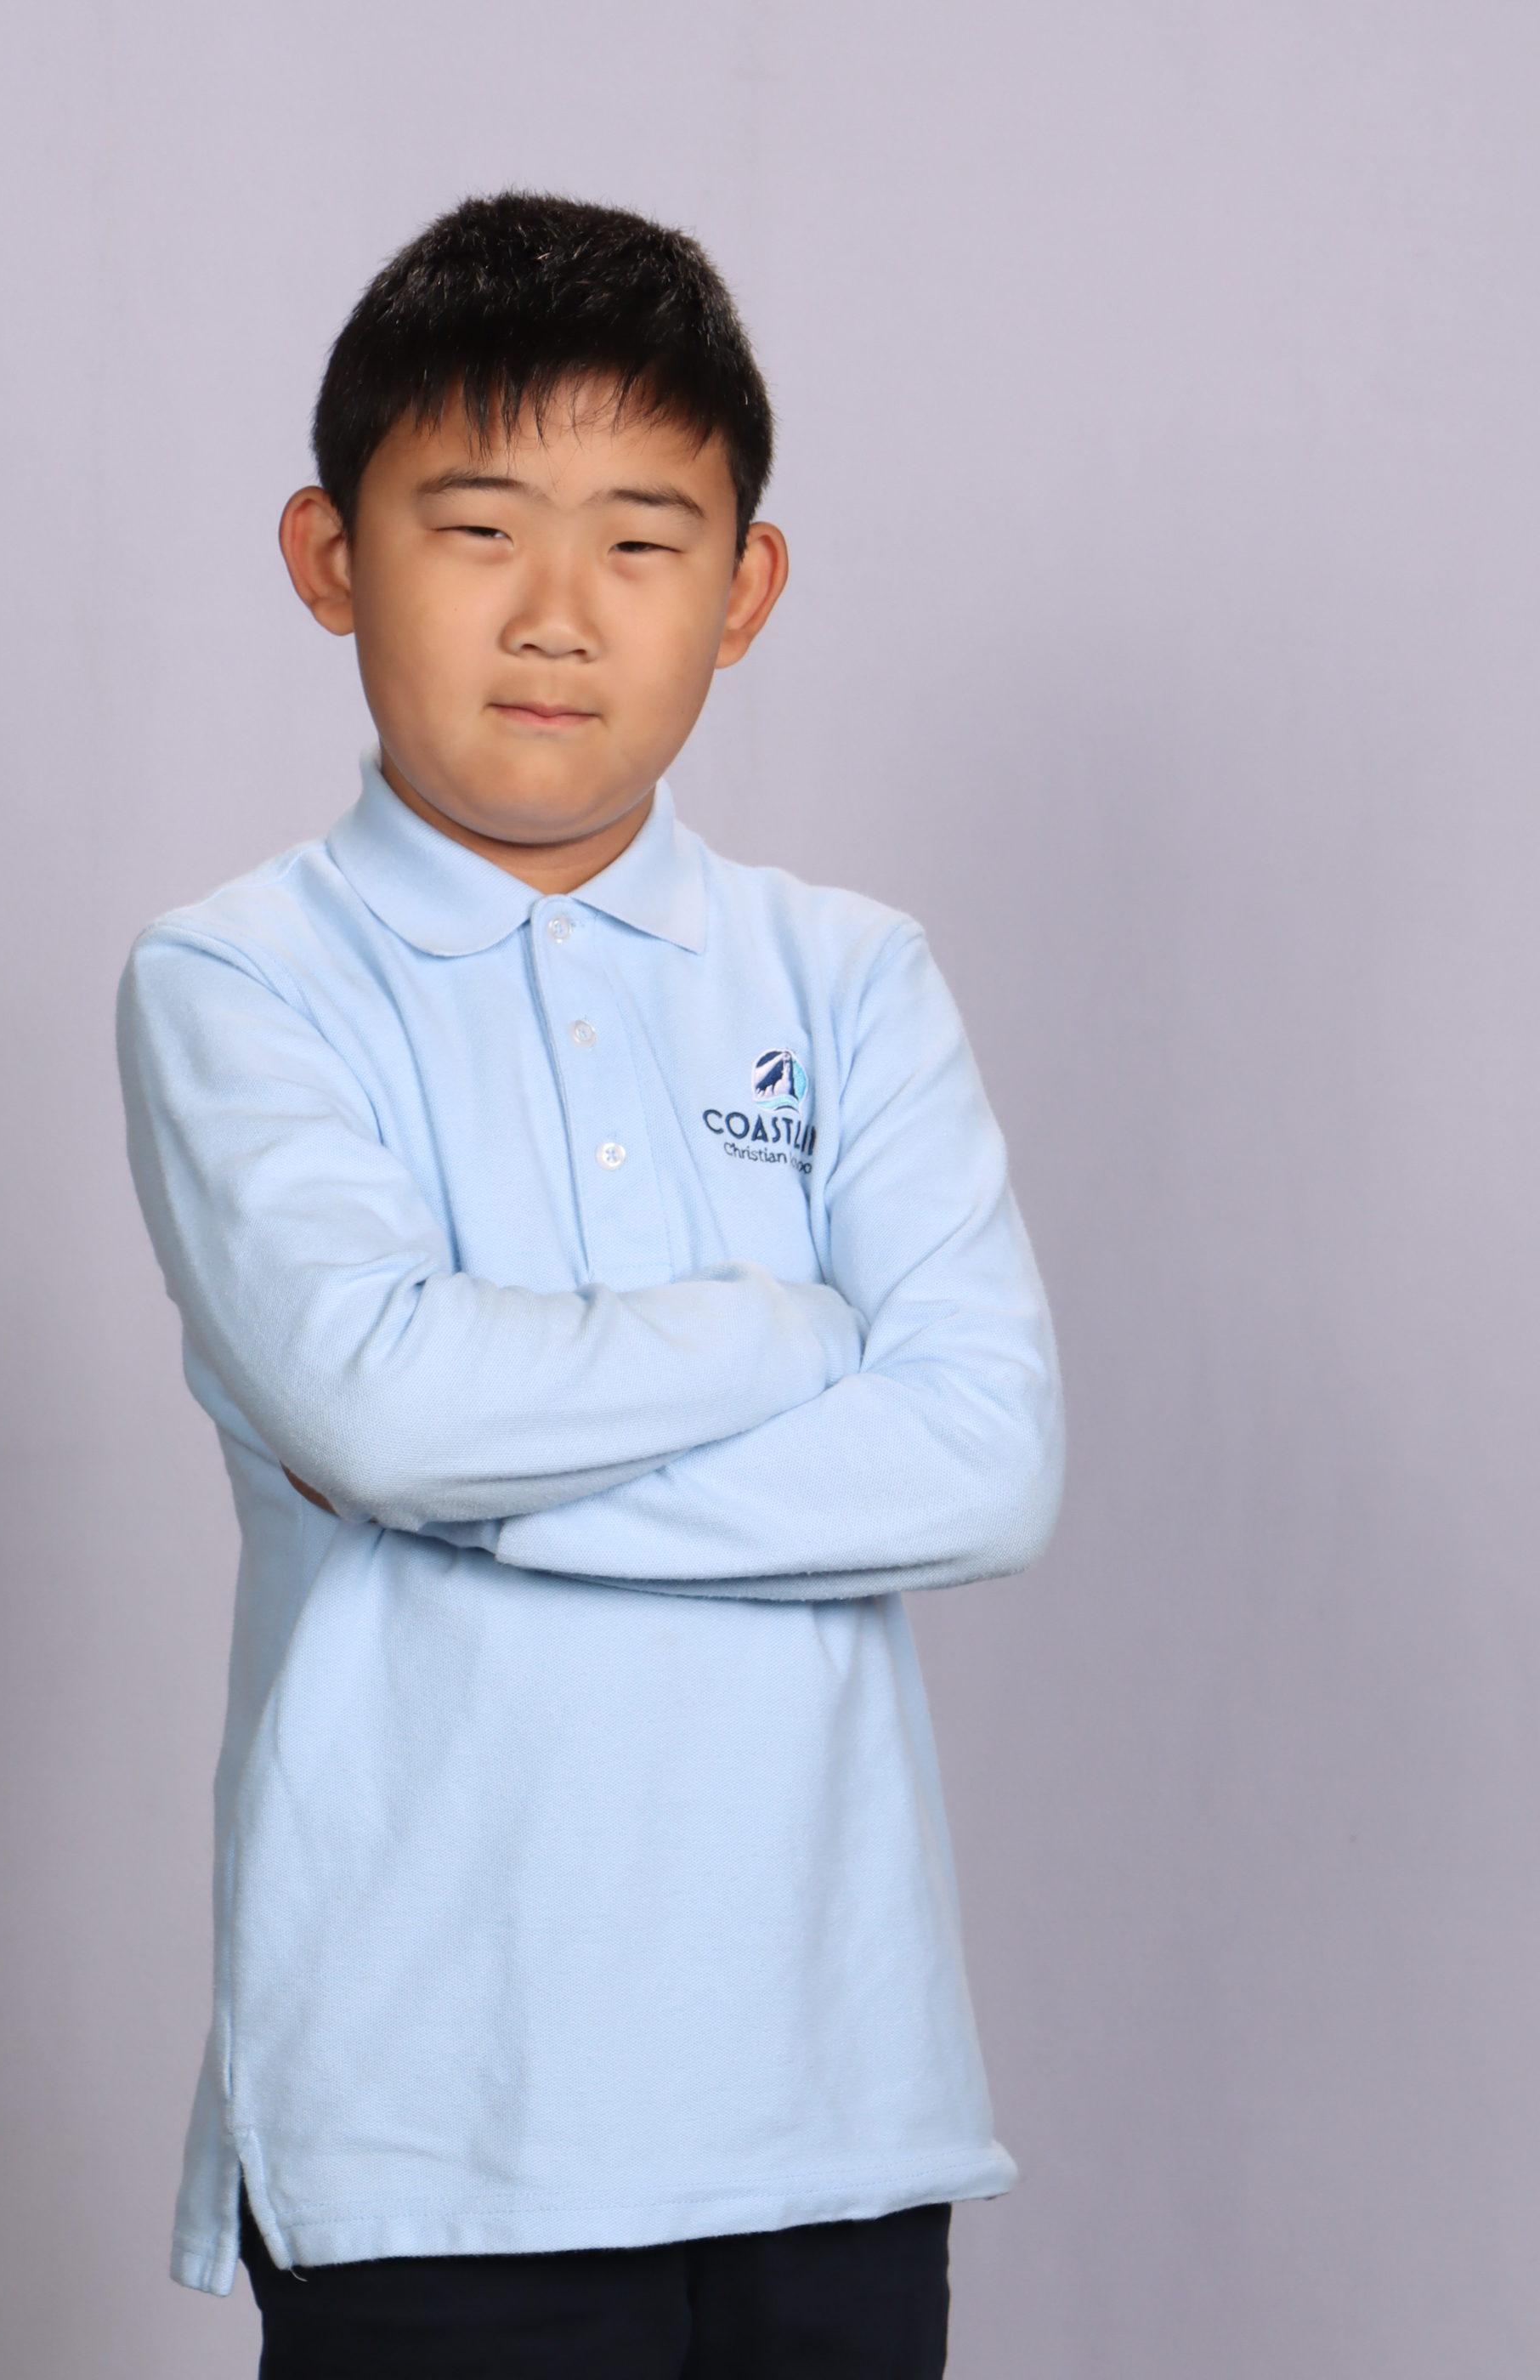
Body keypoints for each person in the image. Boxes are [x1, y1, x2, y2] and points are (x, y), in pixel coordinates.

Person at [116, 190, 1063, 2380]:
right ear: (329, 556)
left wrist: (466, 1488)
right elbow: (377, 1412)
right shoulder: (244, 979)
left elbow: (988, 1461)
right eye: (477, 529)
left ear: (747, 592)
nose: (557, 614)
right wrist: (789, 1329)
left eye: (643, 540)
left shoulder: (848, 979)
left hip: (833, 2104)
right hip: (429, 2117)